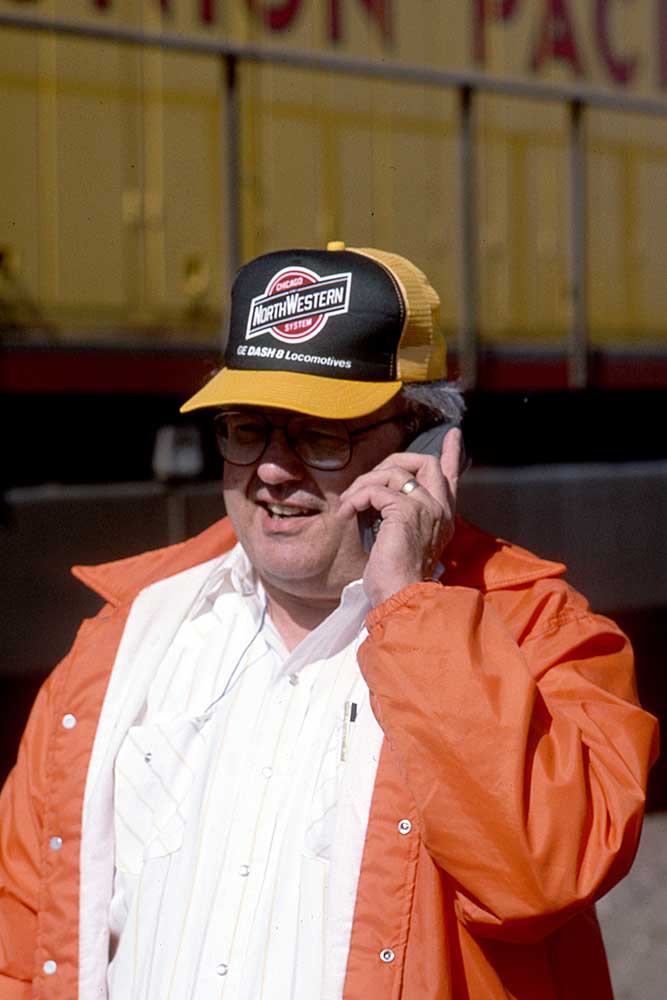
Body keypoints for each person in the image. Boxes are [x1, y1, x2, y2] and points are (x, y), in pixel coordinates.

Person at [0, 242, 658, 1000]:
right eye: (247, 428)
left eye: (320, 434)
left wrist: (408, 605)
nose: (273, 469)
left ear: (430, 448)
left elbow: (543, 873)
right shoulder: (123, 640)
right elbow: (27, 936)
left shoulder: (544, 636)